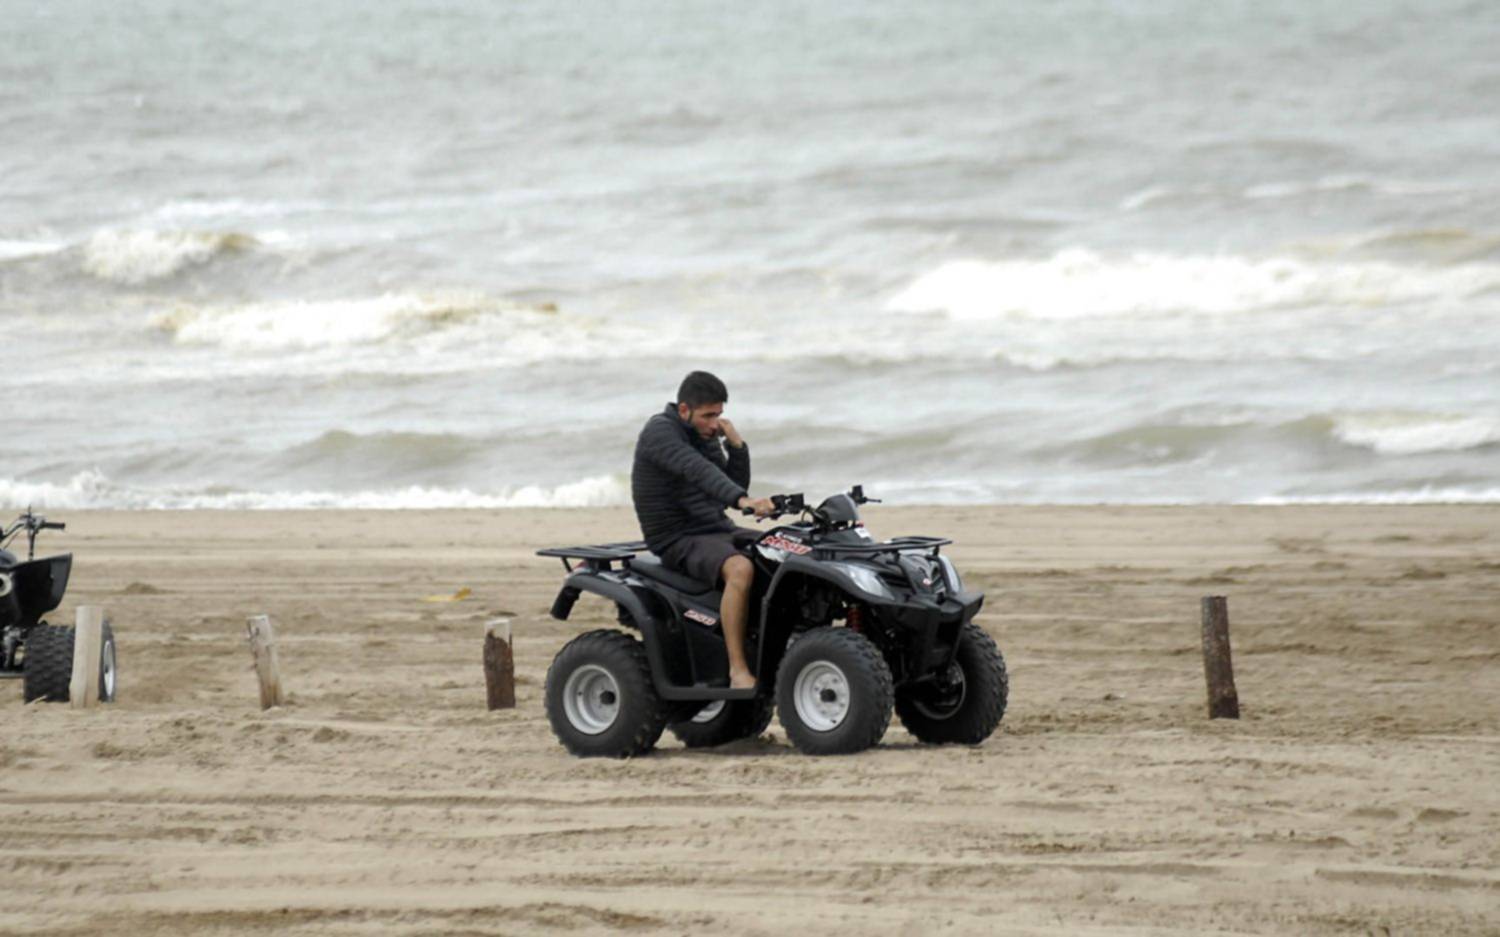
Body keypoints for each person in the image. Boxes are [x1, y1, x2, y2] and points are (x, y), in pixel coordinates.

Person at [631, 371, 776, 689]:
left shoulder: (707, 436)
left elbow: (729, 485)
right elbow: (699, 472)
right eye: (708, 415)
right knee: (739, 569)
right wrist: (743, 501)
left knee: (784, 549)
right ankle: (737, 670)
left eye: (719, 415)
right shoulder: (661, 432)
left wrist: (737, 447)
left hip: (715, 528)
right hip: (677, 537)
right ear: (684, 410)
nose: (715, 424)